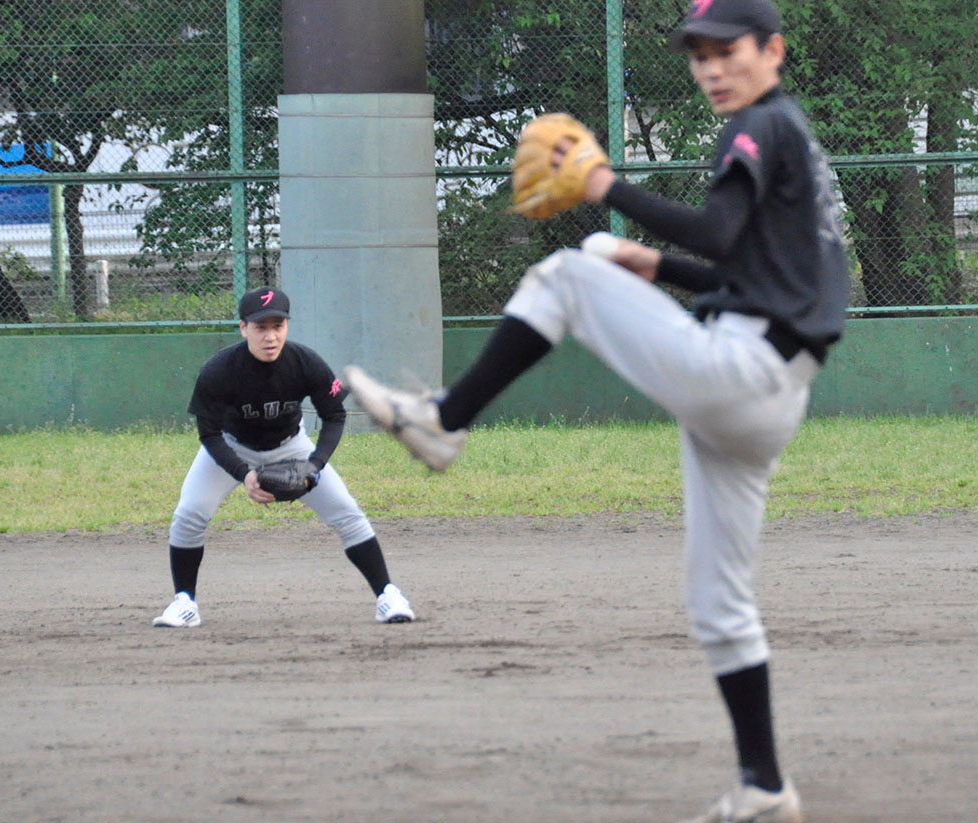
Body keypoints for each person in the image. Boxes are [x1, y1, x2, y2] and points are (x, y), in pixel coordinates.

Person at [344, 0, 848, 819]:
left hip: (742, 368)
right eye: (699, 54)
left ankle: (445, 419)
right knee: (718, 605)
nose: (712, 68)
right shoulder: (796, 141)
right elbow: (755, 272)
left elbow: (720, 235)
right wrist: (654, 265)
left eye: (728, 50)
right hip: (770, 391)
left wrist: (603, 184)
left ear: (773, 51)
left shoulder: (759, 125)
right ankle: (764, 786)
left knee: (568, 275)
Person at [152, 286, 415, 629]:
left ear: (287, 326)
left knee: (347, 512)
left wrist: (314, 465)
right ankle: (184, 602)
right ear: (243, 328)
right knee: (189, 514)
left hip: (291, 445)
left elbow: (334, 415)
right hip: (233, 446)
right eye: (260, 327)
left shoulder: (305, 362)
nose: (270, 336)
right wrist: (243, 473)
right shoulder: (219, 370)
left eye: (278, 326)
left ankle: (387, 595)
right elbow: (210, 435)